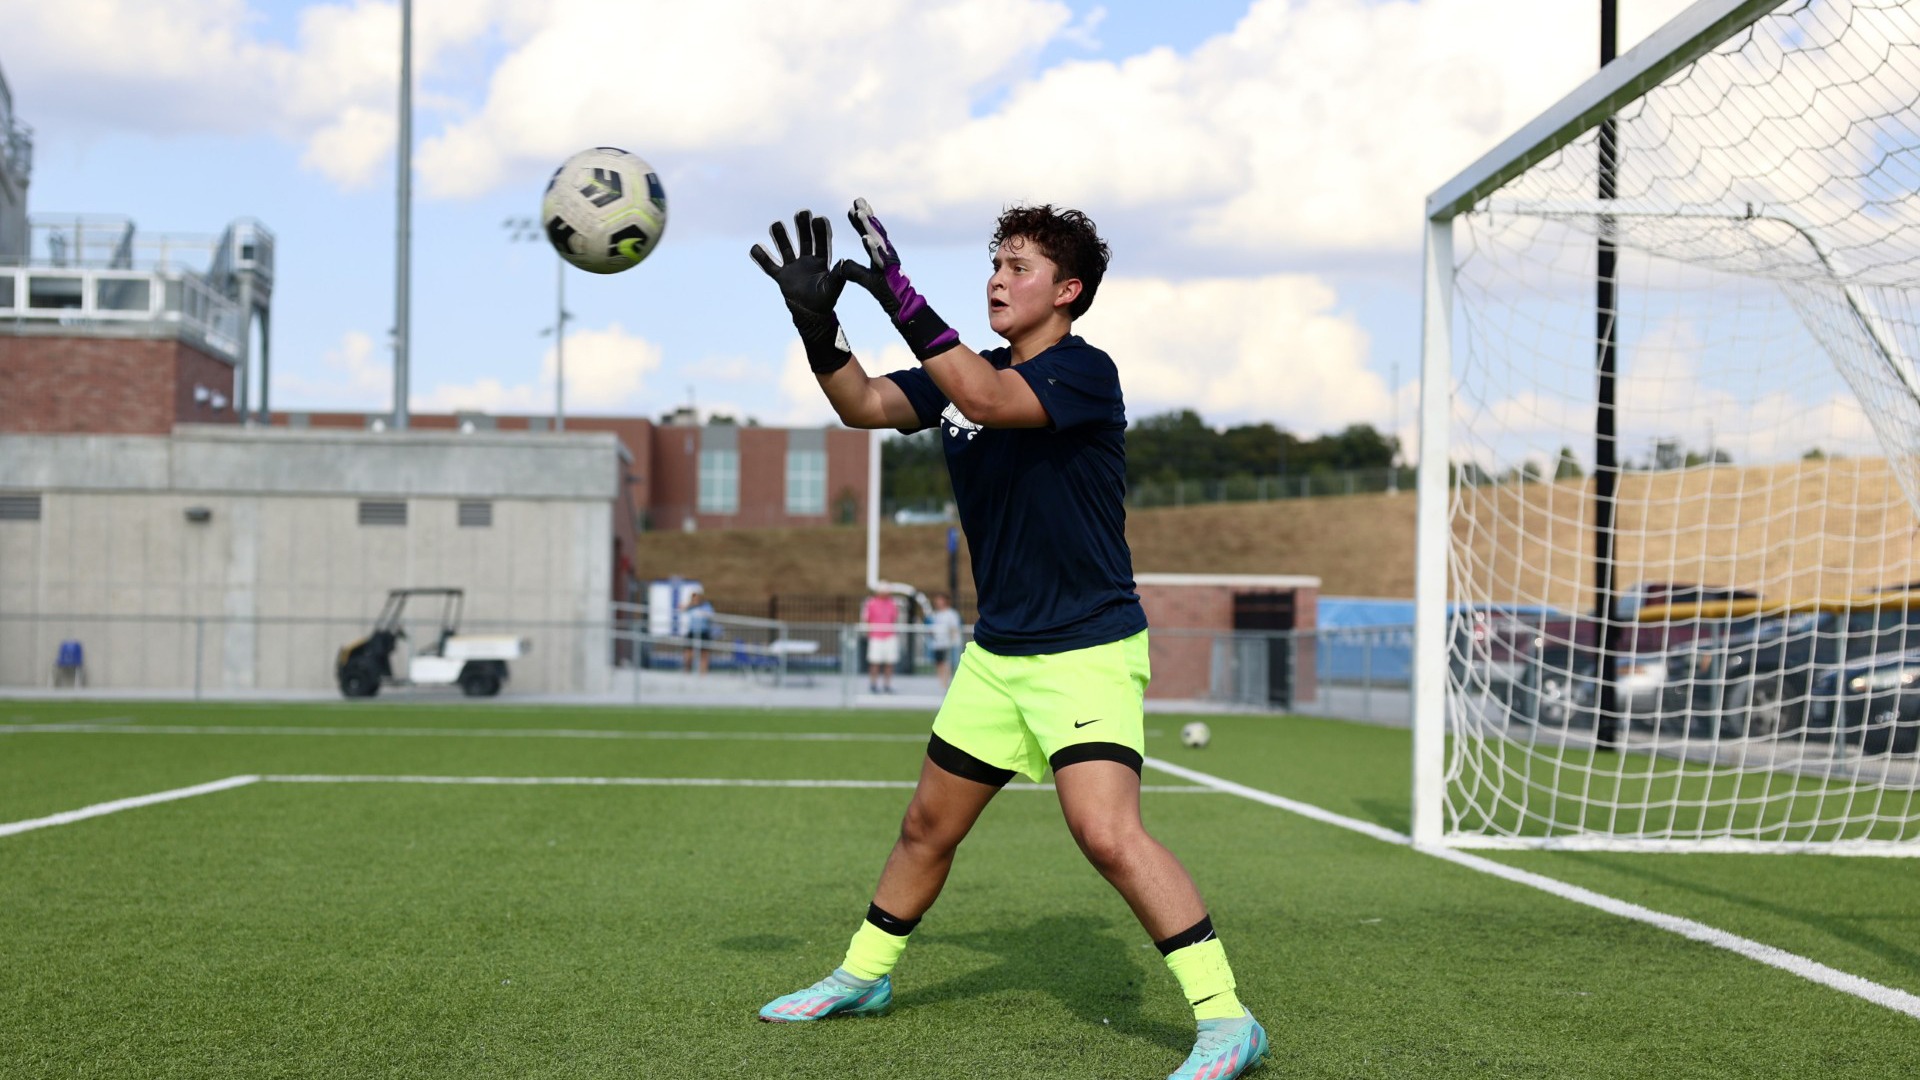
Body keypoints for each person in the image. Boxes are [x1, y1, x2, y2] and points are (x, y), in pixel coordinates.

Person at [748, 200, 1266, 1079]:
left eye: (1019, 267)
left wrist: (902, 300)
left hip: (1086, 648)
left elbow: (988, 400)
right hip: (998, 656)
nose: (997, 278)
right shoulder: (967, 374)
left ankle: (1227, 1019)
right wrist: (816, 325)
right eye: (995, 263)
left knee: (1106, 834)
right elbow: (862, 404)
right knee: (926, 826)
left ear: (1067, 291)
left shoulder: (1084, 372)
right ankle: (863, 977)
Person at [860, 589, 901, 693]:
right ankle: (873, 684)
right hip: (876, 636)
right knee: (875, 662)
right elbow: (866, 618)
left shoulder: (892, 603)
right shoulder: (871, 603)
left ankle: (887, 685)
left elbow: (895, 618)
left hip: (889, 636)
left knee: (889, 662)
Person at [927, 591, 963, 688]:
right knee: (939, 663)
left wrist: (953, 641)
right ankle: (942, 683)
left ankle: (946, 683)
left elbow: (954, 629)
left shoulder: (951, 614)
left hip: (948, 643)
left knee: (947, 663)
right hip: (937, 643)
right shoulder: (935, 614)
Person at [682, 590, 716, 675]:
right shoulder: (691, 606)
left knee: (704, 654)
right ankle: (687, 672)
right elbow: (682, 609)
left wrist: (702, 612)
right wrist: (691, 604)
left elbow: (711, 615)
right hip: (692, 631)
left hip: (703, 632)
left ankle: (703, 674)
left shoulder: (706, 606)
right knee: (688, 654)